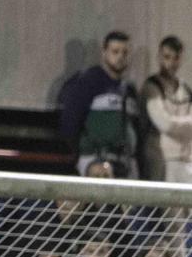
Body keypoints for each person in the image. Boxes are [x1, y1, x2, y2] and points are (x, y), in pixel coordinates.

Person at [59, 31, 159, 180]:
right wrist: (81, 156)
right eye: (115, 51)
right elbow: (70, 123)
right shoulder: (88, 82)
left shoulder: (130, 90)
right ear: (104, 52)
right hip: (96, 162)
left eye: (125, 52)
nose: (120, 57)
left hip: (126, 164)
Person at [142, 36, 192, 186]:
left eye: (175, 58)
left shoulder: (188, 92)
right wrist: (189, 122)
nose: (170, 63)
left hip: (189, 161)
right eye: (166, 57)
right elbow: (164, 124)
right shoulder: (152, 87)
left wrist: (176, 125)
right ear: (159, 57)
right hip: (164, 162)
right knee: (173, 208)